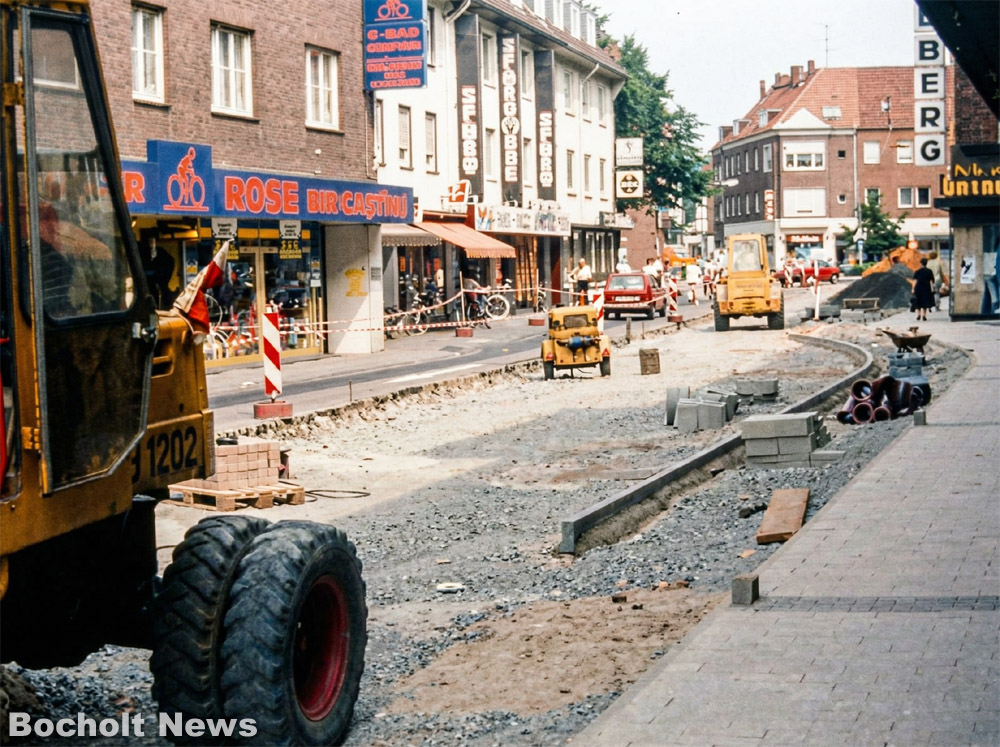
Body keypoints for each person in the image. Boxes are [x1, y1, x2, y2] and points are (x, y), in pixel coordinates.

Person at [911, 257, 935, 322]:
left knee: (918, 301)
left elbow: (915, 281)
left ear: (921, 263)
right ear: (926, 263)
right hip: (926, 288)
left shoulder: (918, 271)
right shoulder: (929, 271)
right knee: (925, 301)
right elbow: (932, 281)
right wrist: (933, 288)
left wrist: (913, 288)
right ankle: (924, 315)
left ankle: (918, 314)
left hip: (918, 287)